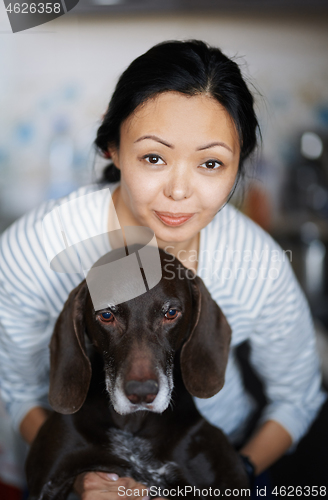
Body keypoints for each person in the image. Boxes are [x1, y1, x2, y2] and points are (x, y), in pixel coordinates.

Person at [0, 40, 326, 500]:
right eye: (154, 157)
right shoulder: (33, 251)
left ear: (238, 168)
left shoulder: (259, 266)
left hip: (214, 457)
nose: (179, 191)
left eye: (211, 163)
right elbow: (19, 392)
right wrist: (84, 480)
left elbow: (298, 397)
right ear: (112, 147)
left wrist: (229, 477)